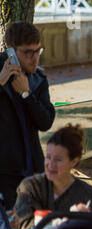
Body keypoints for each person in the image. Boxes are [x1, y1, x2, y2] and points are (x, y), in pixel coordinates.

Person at [10, 124, 92, 229]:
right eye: (48, 157)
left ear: (74, 161)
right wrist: (70, 219)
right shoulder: (31, 187)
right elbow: (23, 228)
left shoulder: (88, 195)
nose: (50, 165)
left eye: (58, 160)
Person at [0, 21, 55, 211]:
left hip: (32, 169)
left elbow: (46, 122)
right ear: (12, 52)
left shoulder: (38, 79)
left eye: (38, 51)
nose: (35, 58)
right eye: (28, 52)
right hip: (4, 172)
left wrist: (27, 95)